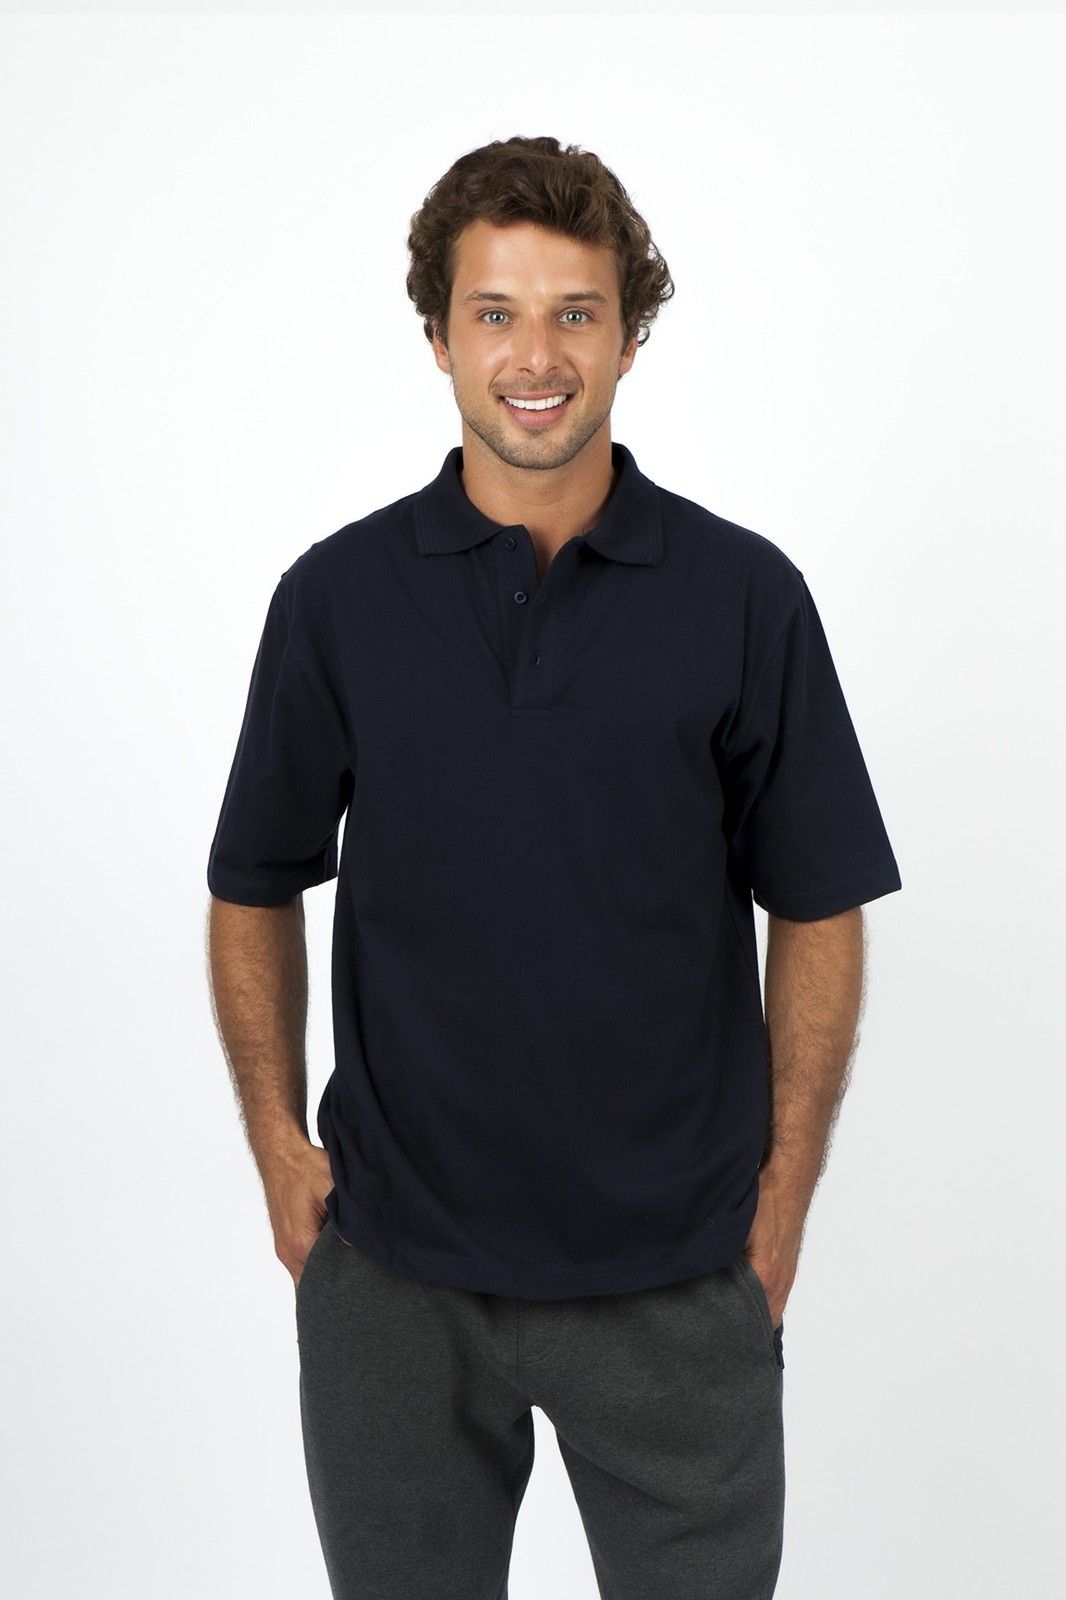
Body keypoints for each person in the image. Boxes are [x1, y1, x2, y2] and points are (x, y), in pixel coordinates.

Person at [206, 134, 901, 1600]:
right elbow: (254, 877)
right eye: (497, 314)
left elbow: (818, 902)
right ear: (440, 338)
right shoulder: (336, 599)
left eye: (576, 313)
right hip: (395, 1280)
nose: (537, 356)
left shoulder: (744, 597)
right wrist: (277, 1146)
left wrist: (782, 1198)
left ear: (630, 338)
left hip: (677, 1279)